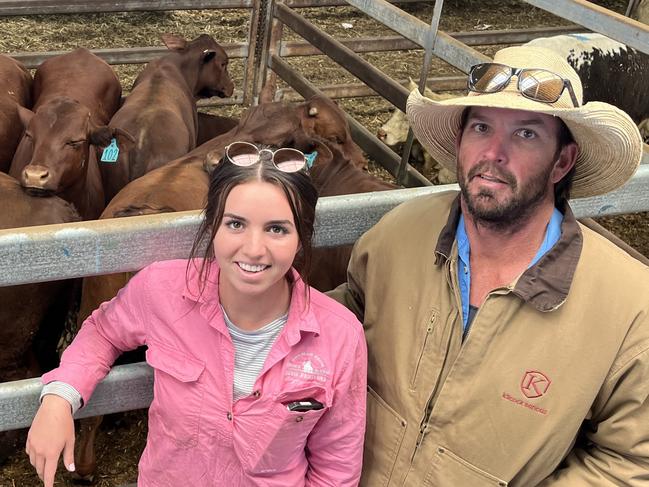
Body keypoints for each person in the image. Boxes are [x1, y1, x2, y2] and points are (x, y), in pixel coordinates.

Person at [329, 45, 649, 486]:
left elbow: (632, 460)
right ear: (461, 142)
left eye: (526, 134)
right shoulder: (400, 233)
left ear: (562, 161)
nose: (494, 152)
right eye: (481, 126)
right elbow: (341, 318)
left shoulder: (629, 307)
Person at [25, 141, 367, 487]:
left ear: (301, 239)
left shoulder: (339, 337)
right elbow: (102, 331)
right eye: (235, 224)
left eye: (276, 229)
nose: (253, 249)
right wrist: (60, 396)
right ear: (212, 226)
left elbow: (335, 470)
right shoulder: (161, 289)